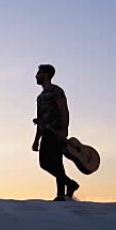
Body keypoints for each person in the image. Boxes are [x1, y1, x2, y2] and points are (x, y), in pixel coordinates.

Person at [32, 64, 79, 201]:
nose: (36, 76)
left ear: (46, 74)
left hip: (56, 132)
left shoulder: (57, 91)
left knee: (57, 162)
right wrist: (36, 140)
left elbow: (64, 111)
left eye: (39, 73)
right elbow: (40, 120)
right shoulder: (40, 97)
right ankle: (70, 184)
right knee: (44, 163)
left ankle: (61, 194)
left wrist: (64, 131)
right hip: (45, 133)